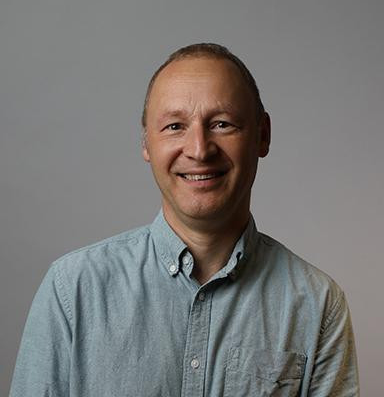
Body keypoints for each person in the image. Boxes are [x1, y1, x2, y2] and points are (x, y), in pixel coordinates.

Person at [10, 43, 359, 396]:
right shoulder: (73, 289)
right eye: (175, 126)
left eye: (222, 124)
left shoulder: (317, 304)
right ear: (146, 142)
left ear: (262, 135)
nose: (199, 149)